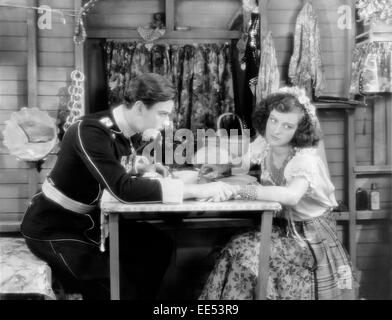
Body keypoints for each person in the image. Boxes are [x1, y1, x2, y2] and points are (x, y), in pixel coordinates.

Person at [21, 73, 236, 300]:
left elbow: (110, 164)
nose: (165, 122)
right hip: (55, 228)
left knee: (157, 245)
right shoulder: (90, 131)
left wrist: (137, 166)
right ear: (141, 107)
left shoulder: (124, 130)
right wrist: (200, 190)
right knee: (115, 288)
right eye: (162, 114)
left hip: (90, 224)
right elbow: (123, 189)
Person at [199, 86, 357, 300]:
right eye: (273, 120)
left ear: (299, 131)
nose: (276, 130)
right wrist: (223, 168)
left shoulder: (305, 159)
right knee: (235, 249)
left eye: (287, 126)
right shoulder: (265, 142)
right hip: (283, 227)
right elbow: (245, 163)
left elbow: (290, 196)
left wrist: (240, 191)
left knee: (244, 253)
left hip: (311, 238)